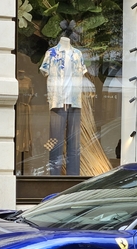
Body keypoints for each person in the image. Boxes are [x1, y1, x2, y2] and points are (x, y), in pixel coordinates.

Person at [39, 36, 87, 175]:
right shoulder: (51, 53)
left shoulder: (78, 54)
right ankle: (54, 177)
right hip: (57, 102)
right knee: (55, 143)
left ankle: (73, 177)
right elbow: (44, 71)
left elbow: (82, 72)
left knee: (74, 144)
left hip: (74, 102)